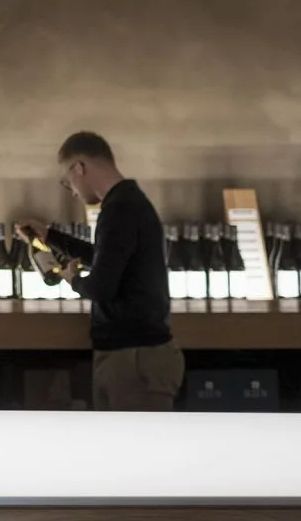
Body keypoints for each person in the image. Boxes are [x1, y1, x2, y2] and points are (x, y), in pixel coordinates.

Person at [16, 130, 182, 411]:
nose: (73, 192)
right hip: (137, 354)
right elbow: (107, 259)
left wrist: (72, 279)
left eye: (68, 183)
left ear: (79, 168)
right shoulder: (127, 202)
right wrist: (51, 237)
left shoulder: (119, 209)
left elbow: (102, 287)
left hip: (134, 359)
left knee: (133, 439)